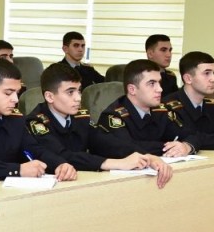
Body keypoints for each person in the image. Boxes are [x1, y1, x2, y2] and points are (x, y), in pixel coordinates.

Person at [26, 62, 173, 188]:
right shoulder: (36, 122)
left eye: (79, 91)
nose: (78, 98)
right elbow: (63, 155)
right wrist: (115, 163)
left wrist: (145, 156)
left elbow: (105, 141)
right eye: (70, 92)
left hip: (78, 182)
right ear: (49, 96)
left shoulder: (80, 116)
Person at [93, 59, 197, 158]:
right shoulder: (113, 116)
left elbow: (191, 135)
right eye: (152, 84)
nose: (160, 89)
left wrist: (186, 146)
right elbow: (128, 149)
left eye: (159, 83)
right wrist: (169, 147)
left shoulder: (161, 111)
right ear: (132, 89)